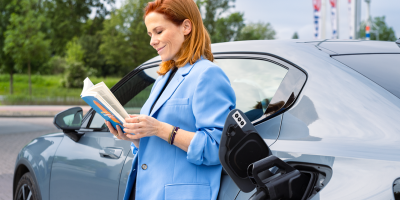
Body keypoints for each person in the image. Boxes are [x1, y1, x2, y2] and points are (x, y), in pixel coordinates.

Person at [105, 0, 236, 199]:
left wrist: (159, 128)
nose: (152, 41)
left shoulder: (207, 74)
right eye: (150, 34)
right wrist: (136, 136)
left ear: (186, 27)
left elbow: (218, 148)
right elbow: (162, 146)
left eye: (158, 31)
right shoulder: (163, 79)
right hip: (147, 191)